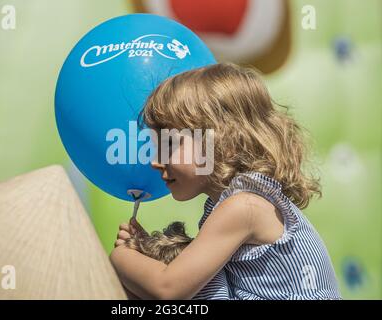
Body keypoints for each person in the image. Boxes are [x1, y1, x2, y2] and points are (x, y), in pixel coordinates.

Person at [110, 62, 342, 300]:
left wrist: (123, 257)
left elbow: (168, 289)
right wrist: (148, 253)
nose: (156, 161)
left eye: (171, 144)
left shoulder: (244, 207)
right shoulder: (243, 203)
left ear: (224, 143)